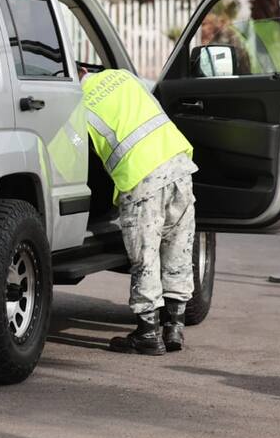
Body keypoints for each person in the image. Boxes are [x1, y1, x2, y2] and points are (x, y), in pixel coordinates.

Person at [81, 68, 197, 355]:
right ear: (88, 70)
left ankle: (147, 333)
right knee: (177, 249)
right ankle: (174, 328)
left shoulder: (77, 103)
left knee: (145, 257)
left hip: (141, 177)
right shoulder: (123, 76)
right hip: (179, 165)